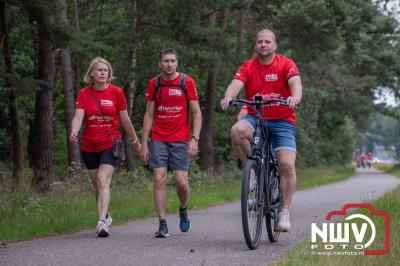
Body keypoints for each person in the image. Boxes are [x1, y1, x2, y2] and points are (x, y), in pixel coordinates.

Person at [220, 29, 303, 232]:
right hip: (256, 118)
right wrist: (228, 97)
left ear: (274, 45)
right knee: (237, 130)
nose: (263, 44)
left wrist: (294, 96)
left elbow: (296, 83)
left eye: (267, 41)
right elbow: (235, 84)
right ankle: (254, 173)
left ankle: (284, 212)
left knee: (287, 165)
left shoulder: (286, 63)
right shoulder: (248, 66)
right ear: (255, 45)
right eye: (259, 42)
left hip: (282, 120)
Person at [70, 57, 141, 237]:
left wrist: (134, 140)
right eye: (99, 70)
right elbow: (79, 117)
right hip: (89, 145)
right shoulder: (84, 94)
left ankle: (101, 222)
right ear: (92, 73)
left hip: (110, 144)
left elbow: (124, 119)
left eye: (105, 70)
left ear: (109, 74)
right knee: (97, 184)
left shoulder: (117, 92)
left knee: (103, 180)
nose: (103, 73)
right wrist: (74, 131)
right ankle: (105, 213)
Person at [140, 48, 202, 238]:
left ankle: (183, 208)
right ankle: (162, 223)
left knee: (181, 182)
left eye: (172, 61)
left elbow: (197, 113)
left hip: (181, 139)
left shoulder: (186, 82)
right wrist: (144, 144)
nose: (169, 64)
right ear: (160, 64)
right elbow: (149, 114)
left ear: (177, 63)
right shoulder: (155, 83)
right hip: (159, 138)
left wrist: (195, 139)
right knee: (159, 177)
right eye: (165, 61)